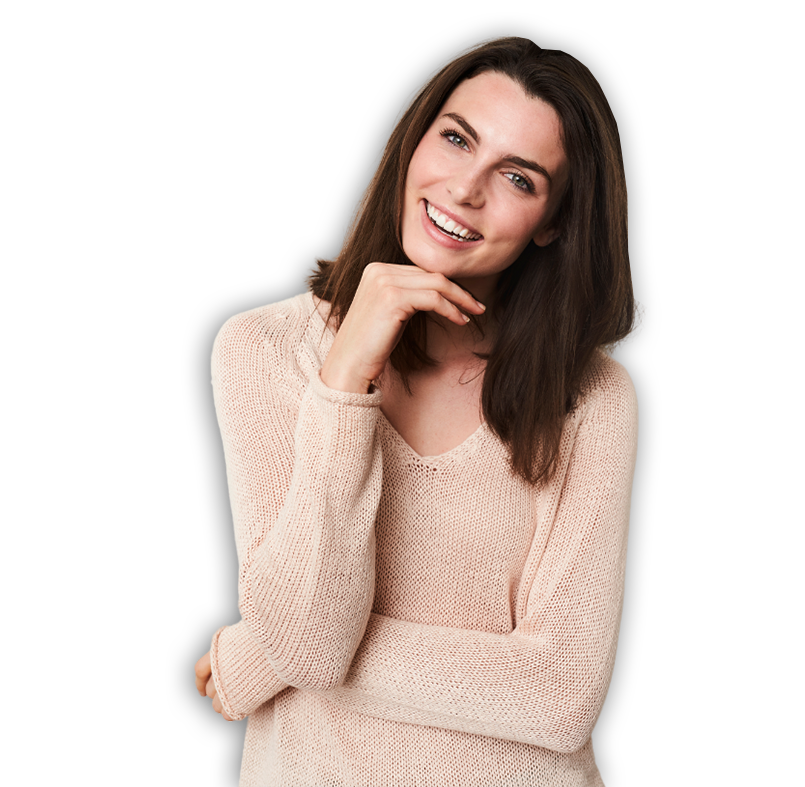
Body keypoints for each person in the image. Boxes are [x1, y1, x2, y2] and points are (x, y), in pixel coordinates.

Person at [194, 35, 641, 786]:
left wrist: (256, 652)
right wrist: (343, 383)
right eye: (456, 138)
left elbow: (562, 698)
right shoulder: (264, 349)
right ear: (414, 140)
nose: (464, 189)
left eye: (517, 178)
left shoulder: (590, 395)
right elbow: (304, 641)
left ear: (553, 221)